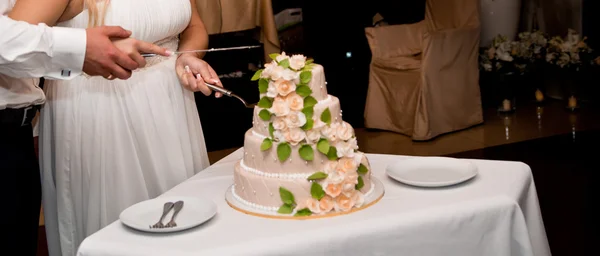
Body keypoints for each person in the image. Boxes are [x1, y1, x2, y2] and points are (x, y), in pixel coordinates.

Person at [9, 0, 222, 255]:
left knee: (186, 228)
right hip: (99, 110)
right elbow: (12, 40)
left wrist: (188, 55)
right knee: (123, 236)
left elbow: (193, 26)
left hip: (171, 107)